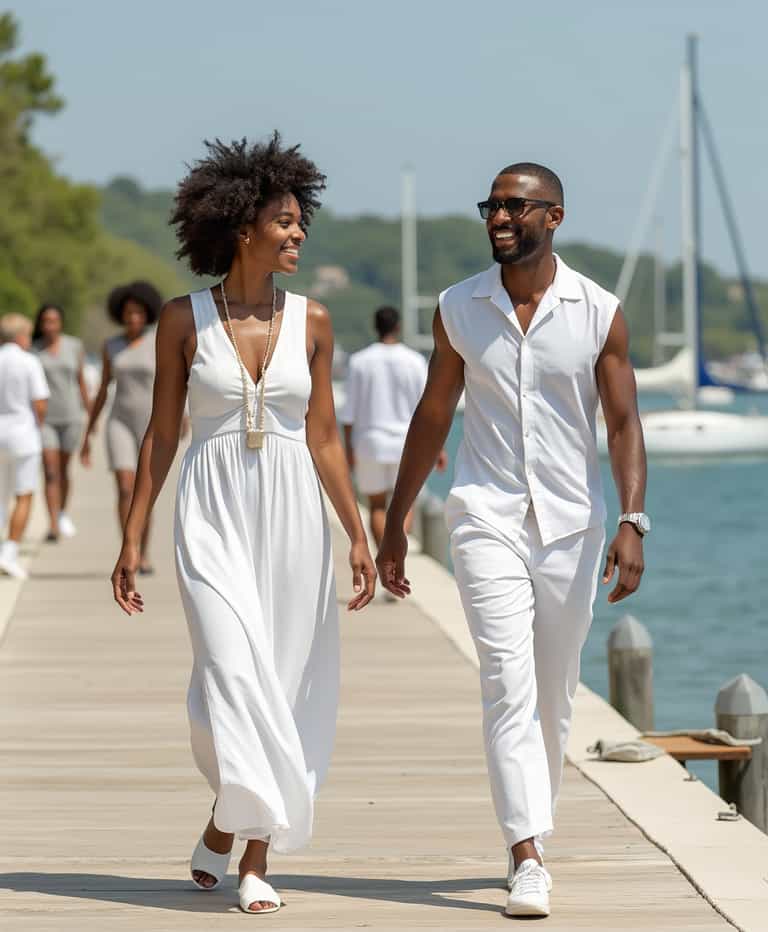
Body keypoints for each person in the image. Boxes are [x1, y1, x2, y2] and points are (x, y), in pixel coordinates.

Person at [110, 133, 376, 915]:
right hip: (212, 507)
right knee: (226, 674)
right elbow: (163, 434)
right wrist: (133, 535)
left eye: (301, 222)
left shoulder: (316, 320)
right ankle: (236, 807)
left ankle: (252, 852)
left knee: (284, 679)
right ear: (241, 225)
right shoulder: (181, 318)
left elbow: (324, 436)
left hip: (294, 511)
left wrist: (356, 533)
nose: (298, 234)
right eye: (286, 221)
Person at [376, 163, 648, 918]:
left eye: (514, 206)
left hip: (571, 525)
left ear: (552, 217)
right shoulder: (458, 308)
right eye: (491, 205)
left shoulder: (599, 311)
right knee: (505, 680)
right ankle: (528, 851)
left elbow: (623, 424)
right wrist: (396, 522)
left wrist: (632, 520)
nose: (499, 217)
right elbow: (433, 414)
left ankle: (529, 830)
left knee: (554, 694)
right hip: (484, 514)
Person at [341, 306, 447, 550]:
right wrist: (438, 448)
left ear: (375, 327)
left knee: (377, 505)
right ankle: (397, 555)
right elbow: (430, 407)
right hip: (406, 442)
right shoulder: (414, 361)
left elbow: (349, 413)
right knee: (406, 504)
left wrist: (349, 449)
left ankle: (384, 557)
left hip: (370, 442)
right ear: (398, 326)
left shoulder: (359, 362)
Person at [81, 281, 161, 574]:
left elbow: (176, 383)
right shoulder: (111, 345)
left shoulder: (158, 340)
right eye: (128, 313)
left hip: (151, 423)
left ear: (147, 314)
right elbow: (103, 387)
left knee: (144, 492)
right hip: (119, 422)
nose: (133, 318)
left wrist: (183, 417)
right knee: (125, 487)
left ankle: (145, 551)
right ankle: (129, 549)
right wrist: (88, 430)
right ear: (120, 314)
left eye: (138, 313)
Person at [32, 304, 90, 541]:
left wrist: (91, 415)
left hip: (71, 417)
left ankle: (63, 512)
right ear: (40, 324)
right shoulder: (34, 350)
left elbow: (81, 382)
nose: (50, 326)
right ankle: (53, 523)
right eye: (46, 321)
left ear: (60, 323)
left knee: (64, 470)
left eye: (54, 321)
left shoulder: (74, 346)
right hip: (44, 419)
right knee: (50, 471)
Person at [0, 314, 50, 579]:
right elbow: (40, 402)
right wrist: (38, 424)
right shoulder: (29, 361)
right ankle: (9, 552)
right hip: (22, 435)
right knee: (23, 495)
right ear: (21, 336)